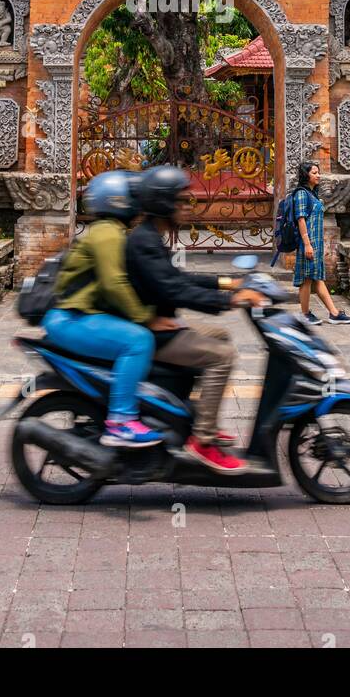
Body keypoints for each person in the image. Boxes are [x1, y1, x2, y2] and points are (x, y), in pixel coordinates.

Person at [125, 166, 267, 474]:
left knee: (219, 336)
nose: (184, 207)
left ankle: (202, 419)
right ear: (163, 204)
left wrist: (227, 283)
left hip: (161, 323)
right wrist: (228, 300)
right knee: (222, 357)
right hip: (152, 331)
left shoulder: (151, 236)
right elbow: (173, 289)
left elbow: (178, 277)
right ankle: (202, 440)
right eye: (178, 201)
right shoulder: (143, 241)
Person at [42, 170, 172, 449]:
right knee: (138, 340)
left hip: (79, 316)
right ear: (117, 201)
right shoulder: (107, 233)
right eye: (132, 197)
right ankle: (121, 421)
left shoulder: (111, 231)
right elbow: (115, 283)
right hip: (71, 319)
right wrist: (145, 317)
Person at [293, 159, 350, 327]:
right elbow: (300, 219)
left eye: (318, 172)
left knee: (317, 278)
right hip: (308, 243)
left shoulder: (313, 194)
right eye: (314, 173)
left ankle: (333, 313)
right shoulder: (301, 194)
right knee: (307, 279)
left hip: (316, 245)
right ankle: (308, 314)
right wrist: (307, 244)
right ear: (306, 175)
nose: (318, 175)